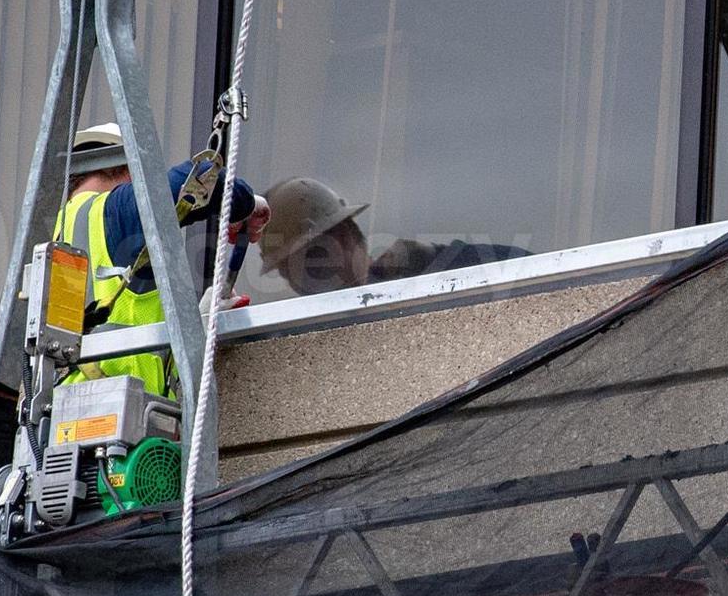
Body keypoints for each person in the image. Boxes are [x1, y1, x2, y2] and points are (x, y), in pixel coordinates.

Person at [54, 122, 266, 396]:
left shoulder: (55, 237)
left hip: (69, 417)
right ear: (129, 170)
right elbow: (206, 177)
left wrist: (196, 323)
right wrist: (249, 204)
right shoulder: (114, 211)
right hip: (114, 415)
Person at [257, 177, 526, 297]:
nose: (299, 279)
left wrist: (432, 257)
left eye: (312, 258)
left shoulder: (418, 281)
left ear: (343, 235)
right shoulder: (297, 334)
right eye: (286, 270)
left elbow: (527, 270)